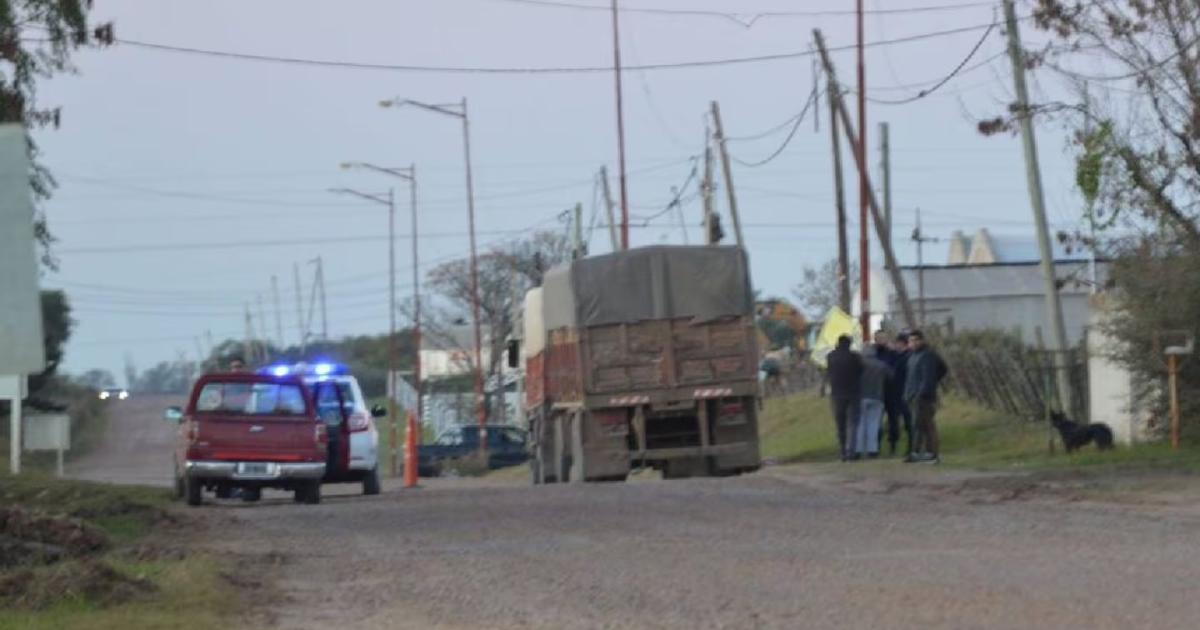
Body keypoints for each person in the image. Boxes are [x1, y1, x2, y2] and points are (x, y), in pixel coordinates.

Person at [903, 330, 948, 464]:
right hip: (912, 394)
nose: (913, 343)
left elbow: (940, 370)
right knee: (917, 425)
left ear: (922, 340)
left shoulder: (928, 355)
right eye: (911, 341)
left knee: (927, 424)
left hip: (923, 396)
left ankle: (932, 454)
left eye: (916, 340)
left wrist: (925, 389)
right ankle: (916, 452)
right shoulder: (912, 356)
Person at [826, 335, 863, 461]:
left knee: (840, 424)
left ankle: (843, 451)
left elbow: (829, 372)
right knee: (853, 423)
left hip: (837, 394)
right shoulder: (855, 357)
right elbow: (861, 371)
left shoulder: (831, 356)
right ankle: (851, 451)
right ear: (849, 344)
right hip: (854, 393)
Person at [881, 331, 913, 457]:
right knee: (895, 421)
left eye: (897, 343)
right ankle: (895, 446)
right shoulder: (899, 356)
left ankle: (910, 446)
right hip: (896, 393)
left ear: (901, 343)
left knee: (906, 421)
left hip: (903, 392)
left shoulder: (907, 357)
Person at [856, 344, 892, 458]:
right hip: (878, 397)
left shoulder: (859, 365)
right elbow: (891, 377)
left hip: (861, 397)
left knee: (861, 424)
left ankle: (858, 450)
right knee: (874, 424)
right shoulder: (882, 365)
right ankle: (873, 449)